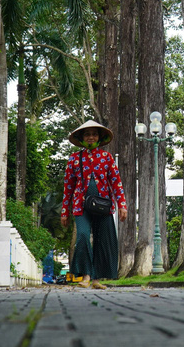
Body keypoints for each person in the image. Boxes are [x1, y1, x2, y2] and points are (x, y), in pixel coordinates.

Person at [61, 120, 128, 289]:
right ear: (81, 137)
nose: (91, 137)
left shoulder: (107, 157)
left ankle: (97, 279)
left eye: (94, 134)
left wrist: (122, 204)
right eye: (87, 134)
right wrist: (64, 211)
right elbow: (68, 186)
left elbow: (116, 182)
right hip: (80, 206)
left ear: (99, 137)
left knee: (103, 240)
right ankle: (86, 276)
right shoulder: (74, 159)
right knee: (83, 236)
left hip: (103, 206)